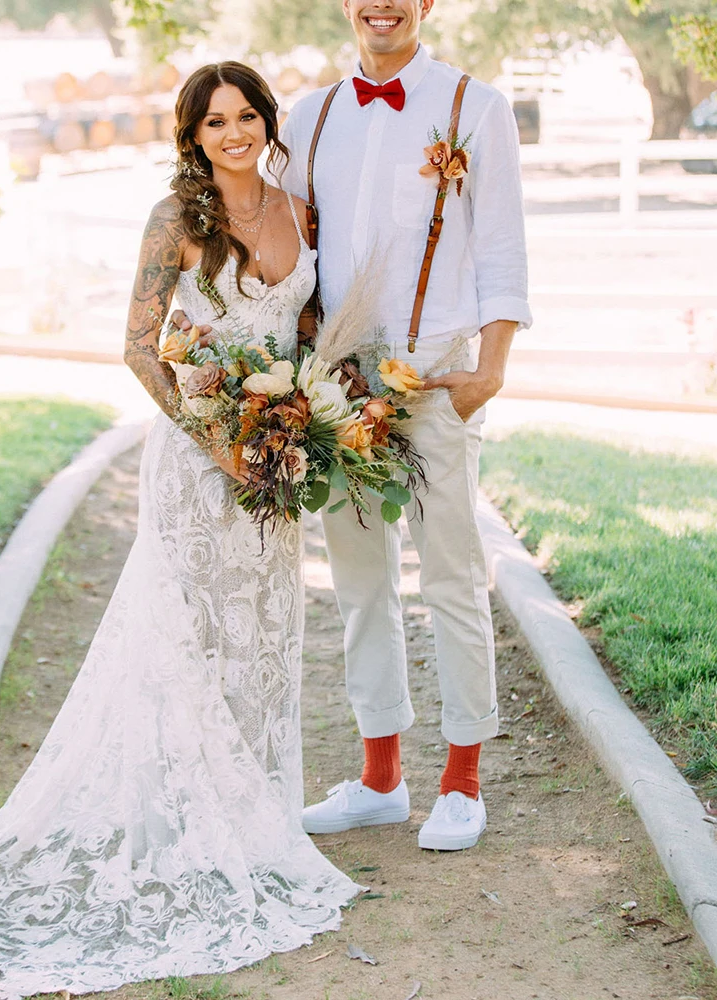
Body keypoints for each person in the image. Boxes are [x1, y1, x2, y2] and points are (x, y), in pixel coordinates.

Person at [0, 63, 359, 1000]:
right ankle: (177, 824)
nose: (233, 131)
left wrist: (298, 421)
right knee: (185, 638)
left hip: (275, 461)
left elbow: (301, 323)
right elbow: (140, 347)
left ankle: (255, 820)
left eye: (246, 114)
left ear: (267, 120)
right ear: (192, 135)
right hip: (197, 463)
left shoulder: (298, 208)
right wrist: (219, 440)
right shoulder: (176, 220)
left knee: (262, 635)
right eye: (214, 121)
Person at [280, 0, 533, 851]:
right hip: (337, 378)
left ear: (427, 4)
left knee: (452, 573)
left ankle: (462, 782)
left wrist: (486, 374)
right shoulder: (306, 118)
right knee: (358, 576)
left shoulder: (477, 108)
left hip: (435, 374)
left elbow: (501, 249)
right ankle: (380, 778)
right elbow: (291, 253)